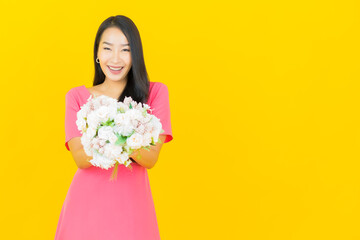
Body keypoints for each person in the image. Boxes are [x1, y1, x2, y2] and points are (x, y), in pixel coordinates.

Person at [54, 15, 173, 240]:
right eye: (107, 48)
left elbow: (150, 157)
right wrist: (131, 134)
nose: (115, 58)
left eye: (125, 50)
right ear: (97, 54)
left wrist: (106, 133)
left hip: (133, 212)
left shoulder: (155, 93)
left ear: (135, 55)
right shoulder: (77, 97)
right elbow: (80, 158)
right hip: (84, 209)